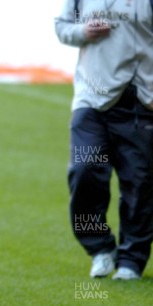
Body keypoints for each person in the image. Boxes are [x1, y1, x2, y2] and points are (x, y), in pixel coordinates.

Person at [55, 0, 153, 280]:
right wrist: (84, 31)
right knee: (84, 170)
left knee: (139, 181)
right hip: (91, 97)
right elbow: (62, 28)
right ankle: (100, 248)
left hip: (140, 98)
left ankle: (132, 259)